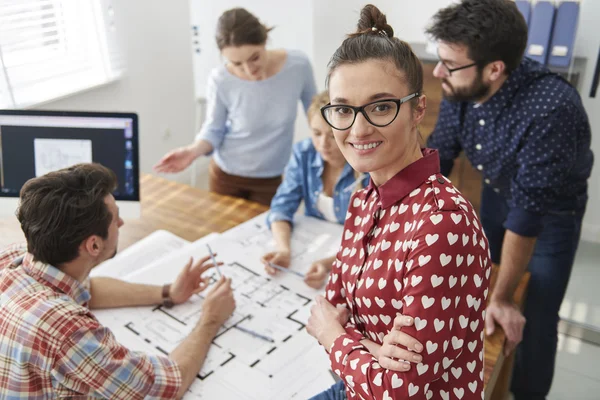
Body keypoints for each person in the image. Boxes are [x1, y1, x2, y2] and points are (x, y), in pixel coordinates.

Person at [306, 4, 492, 399]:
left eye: (381, 106)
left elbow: (400, 389)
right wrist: (369, 350)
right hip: (355, 387)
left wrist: (334, 335)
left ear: (416, 110)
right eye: (343, 109)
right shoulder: (364, 199)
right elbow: (334, 301)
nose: (358, 129)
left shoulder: (443, 224)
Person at [425, 1, 594, 398]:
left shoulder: (552, 109)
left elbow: (528, 217)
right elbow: (441, 156)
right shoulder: (461, 85)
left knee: (532, 314)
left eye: (449, 64)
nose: (437, 72)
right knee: (482, 293)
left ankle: (528, 392)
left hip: (552, 216)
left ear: (494, 69)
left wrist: (502, 296)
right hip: (499, 195)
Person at [0, 163, 235, 399]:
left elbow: (86, 289)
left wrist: (169, 292)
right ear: (94, 245)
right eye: (116, 219)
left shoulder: (17, 257)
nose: (121, 224)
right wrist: (211, 319)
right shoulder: (68, 333)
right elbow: (166, 386)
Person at [154, 8, 317, 206]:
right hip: (225, 176)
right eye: (237, 63)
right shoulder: (220, 79)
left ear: (264, 40)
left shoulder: (298, 66)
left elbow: (315, 112)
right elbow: (214, 129)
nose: (249, 70)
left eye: (254, 57)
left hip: (270, 177)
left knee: (266, 233)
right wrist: (192, 151)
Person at [261, 91, 368, 289]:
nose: (322, 144)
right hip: (314, 247)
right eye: (316, 133)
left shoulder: (368, 168)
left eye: (332, 135)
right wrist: (283, 250)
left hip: (353, 262)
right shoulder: (304, 153)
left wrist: (327, 265)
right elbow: (281, 207)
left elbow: (373, 238)